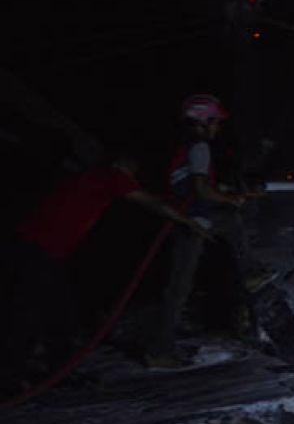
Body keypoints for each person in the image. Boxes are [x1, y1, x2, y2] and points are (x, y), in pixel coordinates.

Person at [1, 155, 206, 394]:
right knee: (27, 316)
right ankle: (10, 381)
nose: (133, 178)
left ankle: (58, 371)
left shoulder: (91, 180)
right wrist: (188, 221)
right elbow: (151, 202)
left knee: (60, 313)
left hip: (40, 253)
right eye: (133, 172)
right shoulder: (111, 177)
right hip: (35, 252)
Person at [146, 93, 257, 369]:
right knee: (178, 288)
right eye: (215, 122)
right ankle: (159, 352)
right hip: (191, 221)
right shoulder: (200, 147)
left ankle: (159, 348)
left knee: (178, 287)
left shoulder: (185, 146)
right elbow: (200, 188)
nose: (218, 127)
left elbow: (197, 185)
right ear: (202, 120)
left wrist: (228, 193)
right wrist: (230, 199)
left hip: (189, 219)